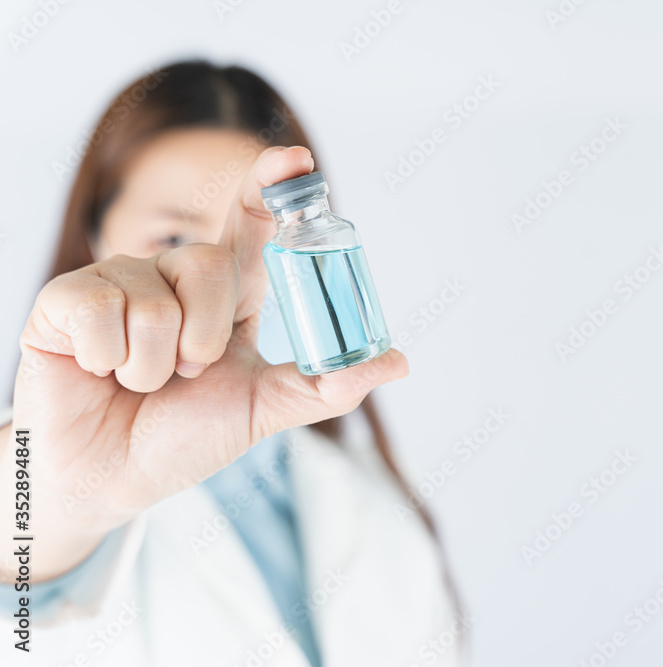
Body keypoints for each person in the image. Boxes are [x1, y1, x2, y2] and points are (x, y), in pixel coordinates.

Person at [0, 61, 464, 666]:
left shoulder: (373, 503)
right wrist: (54, 505)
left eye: (267, 241)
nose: (223, 277)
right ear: (94, 236)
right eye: (173, 239)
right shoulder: (39, 470)